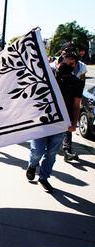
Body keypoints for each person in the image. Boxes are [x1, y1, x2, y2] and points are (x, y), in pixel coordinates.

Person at [26, 51, 84, 193]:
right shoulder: (48, 76)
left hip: (60, 125)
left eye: (72, 64)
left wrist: (74, 123)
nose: (68, 66)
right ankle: (32, 165)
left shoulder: (77, 83)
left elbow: (76, 106)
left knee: (51, 153)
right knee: (37, 151)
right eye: (65, 63)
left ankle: (44, 178)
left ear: (75, 65)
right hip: (41, 121)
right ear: (59, 61)